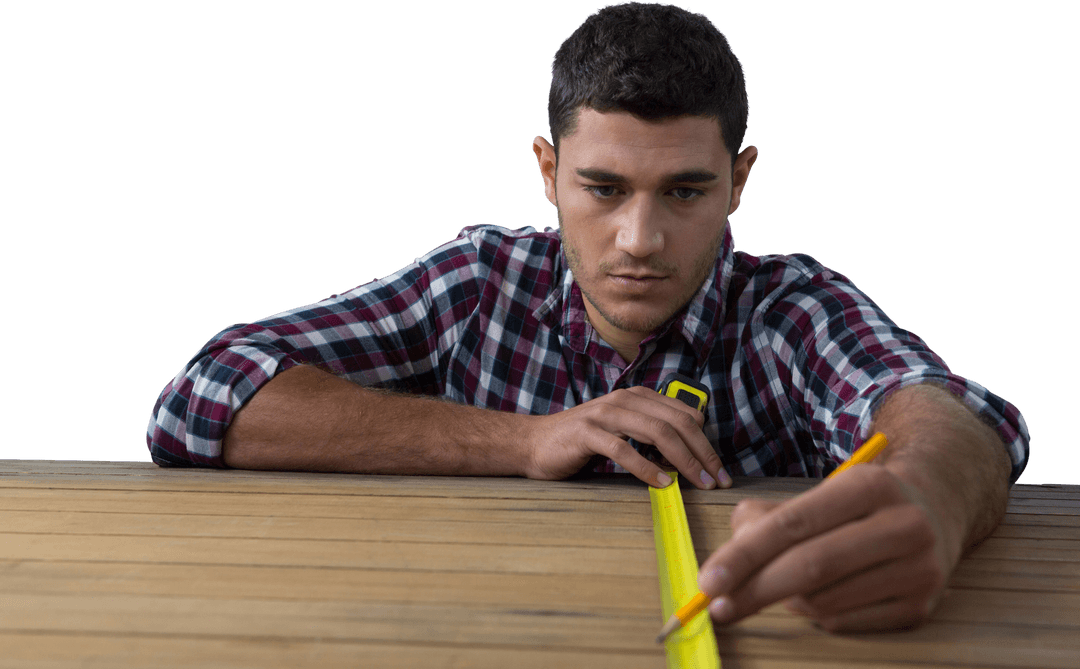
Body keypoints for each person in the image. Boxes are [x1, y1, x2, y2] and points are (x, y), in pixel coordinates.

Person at [146, 1, 1030, 634]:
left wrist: (932, 498)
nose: (639, 239)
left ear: (742, 179)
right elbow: (205, 396)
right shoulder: (478, 283)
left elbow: (944, 413)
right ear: (546, 170)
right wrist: (527, 440)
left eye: (687, 190)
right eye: (602, 189)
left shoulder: (787, 311)